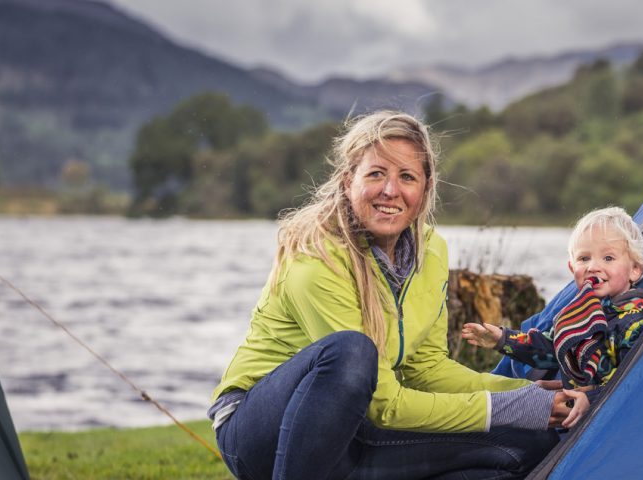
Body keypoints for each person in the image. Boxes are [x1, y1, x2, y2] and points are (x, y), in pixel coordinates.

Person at [209, 111, 587, 480]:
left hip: (357, 435)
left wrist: (527, 395)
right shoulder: (317, 257)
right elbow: (383, 404)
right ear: (347, 181)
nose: (390, 190)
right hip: (262, 434)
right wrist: (510, 406)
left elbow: (426, 369)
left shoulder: (431, 251)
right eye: (376, 174)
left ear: (424, 191)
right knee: (352, 353)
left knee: (528, 444)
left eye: (406, 176)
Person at [461, 207, 643, 391]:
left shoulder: (637, 320)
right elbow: (551, 348)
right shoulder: (581, 310)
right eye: (584, 258)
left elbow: (631, 383)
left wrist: (589, 397)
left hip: (604, 416)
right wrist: (503, 339)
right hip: (576, 409)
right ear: (572, 268)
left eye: (608, 258)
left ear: (635, 270)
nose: (593, 267)